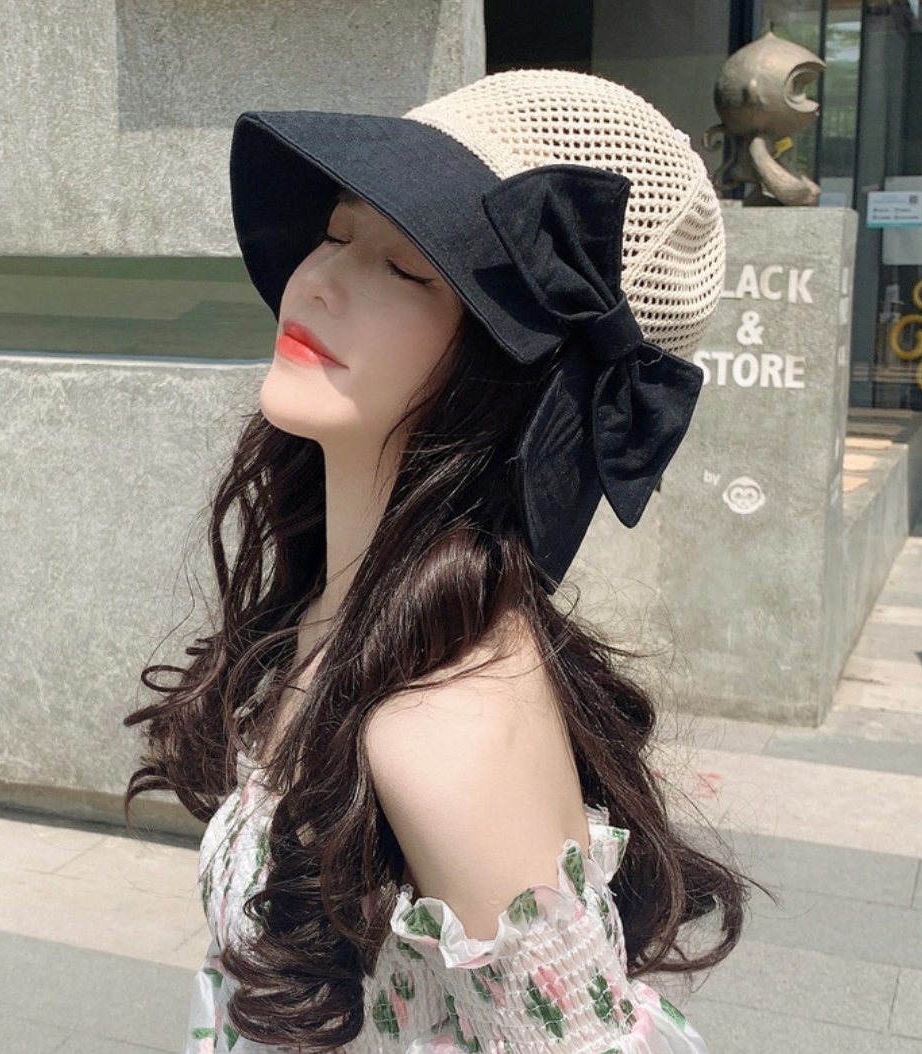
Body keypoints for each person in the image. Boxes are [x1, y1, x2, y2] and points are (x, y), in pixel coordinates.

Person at [126, 69, 747, 1054]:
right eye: (337, 231)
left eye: (406, 267)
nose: (318, 280)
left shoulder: (445, 724)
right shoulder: (334, 619)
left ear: (515, 373)